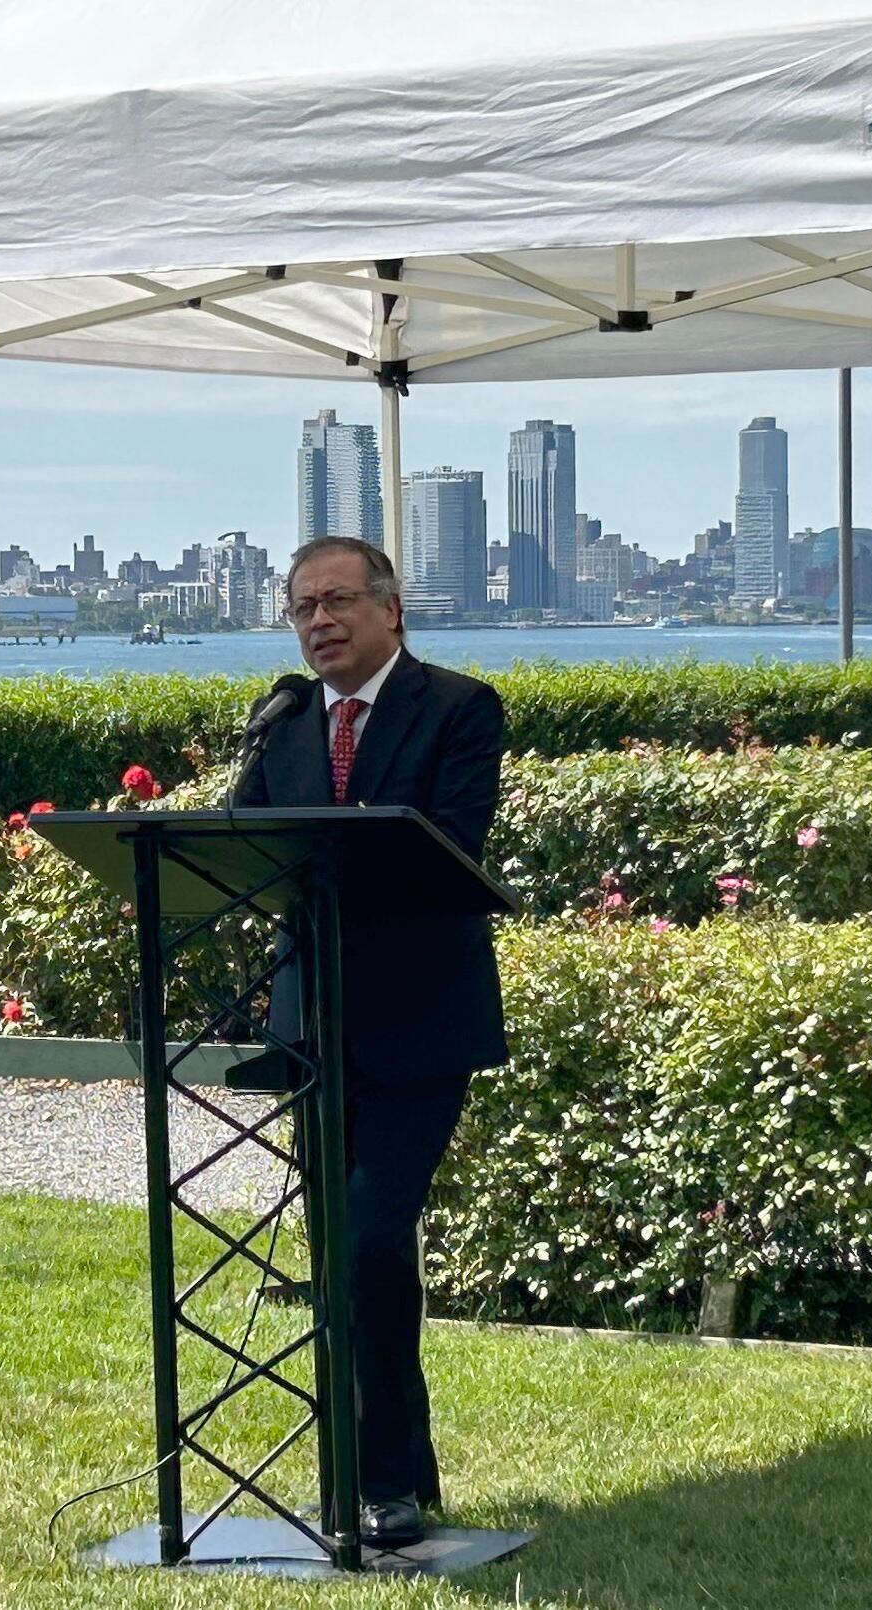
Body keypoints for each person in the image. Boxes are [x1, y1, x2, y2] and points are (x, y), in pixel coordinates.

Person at [227, 534, 506, 1550]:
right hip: (315, 1027)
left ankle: (380, 1472)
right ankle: (384, 1473)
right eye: (301, 606)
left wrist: (330, 869)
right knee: (348, 1259)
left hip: (420, 1024)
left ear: (392, 608)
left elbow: (449, 848)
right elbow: (238, 848)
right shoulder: (286, 721)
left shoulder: (459, 708)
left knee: (368, 1241)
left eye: (338, 600)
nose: (318, 622)